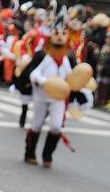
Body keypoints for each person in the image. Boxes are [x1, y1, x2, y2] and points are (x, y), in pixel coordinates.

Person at [13, 16, 93, 169]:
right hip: (41, 95)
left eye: (63, 33)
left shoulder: (68, 58)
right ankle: (29, 153)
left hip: (58, 98)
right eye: (56, 33)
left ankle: (47, 154)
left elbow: (71, 77)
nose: (60, 36)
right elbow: (33, 74)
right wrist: (46, 83)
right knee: (36, 124)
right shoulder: (43, 56)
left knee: (56, 126)